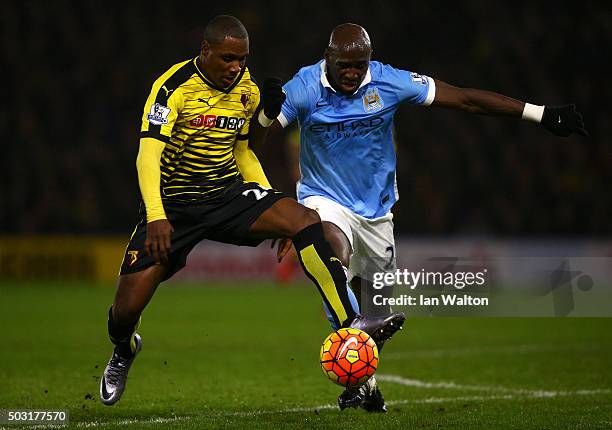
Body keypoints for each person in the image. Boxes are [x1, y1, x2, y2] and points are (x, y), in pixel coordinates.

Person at [261, 23, 587, 412]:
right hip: (323, 200)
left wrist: (541, 113)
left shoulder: (389, 81)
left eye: (359, 65)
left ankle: (365, 383)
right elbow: (257, 137)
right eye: (343, 65)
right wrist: (266, 128)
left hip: (378, 211)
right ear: (328, 58)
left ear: (369, 60)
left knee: (376, 311)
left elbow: (465, 99)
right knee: (333, 250)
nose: (351, 73)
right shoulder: (304, 86)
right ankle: (357, 349)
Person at [99, 16, 406, 406]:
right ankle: (124, 349)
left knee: (303, 220)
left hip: (226, 195)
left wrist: (269, 202)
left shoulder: (245, 89)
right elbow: (148, 156)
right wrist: (157, 215)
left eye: (242, 59)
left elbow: (243, 151)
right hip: (173, 208)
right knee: (125, 310)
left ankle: (351, 324)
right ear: (205, 50)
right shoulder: (172, 88)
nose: (236, 67)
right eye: (228, 58)